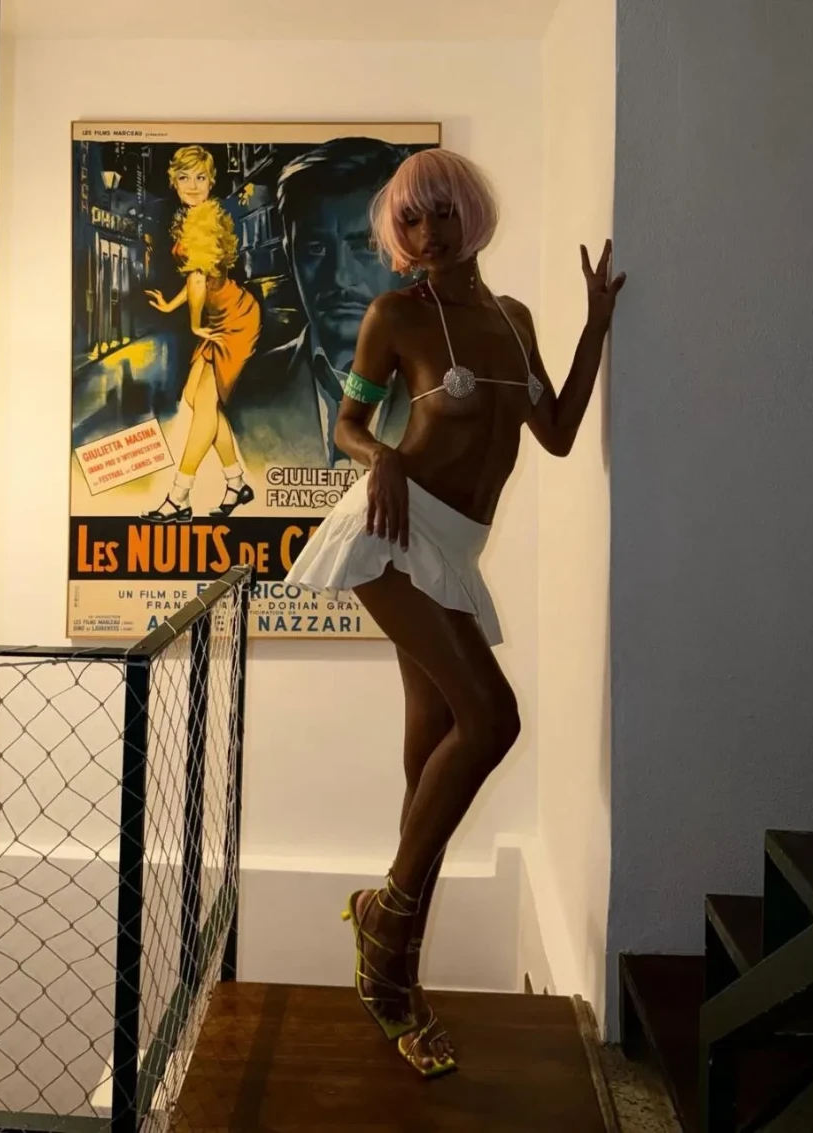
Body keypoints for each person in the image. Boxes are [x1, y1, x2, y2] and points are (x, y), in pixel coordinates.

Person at [285, 148, 625, 1078]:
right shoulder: (396, 316)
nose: (427, 233)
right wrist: (382, 457)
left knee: (430, 760)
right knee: (493, 717)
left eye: (441, 214)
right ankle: (386, 924)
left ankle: (392, 975)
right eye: (411, 219)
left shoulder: (513, 321)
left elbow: (557, 432)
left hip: (456, 550)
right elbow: (349, 425)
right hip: (393, 534)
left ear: (470, 215)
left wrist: (597, 327)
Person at [230, 138, 416, 467]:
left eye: (367, 247)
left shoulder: (447, 388)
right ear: (290, 256)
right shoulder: (248, 390)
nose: (340, 276)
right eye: (315, 248)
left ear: (409, 256)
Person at [143, 145, 261, 522]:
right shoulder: (196, 217)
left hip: (234, 318)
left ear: (211, 182)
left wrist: (194, 323)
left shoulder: (203, 221)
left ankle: (178, 497)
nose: (192, 185)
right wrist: (171, 306)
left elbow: (198, 279)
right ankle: (236, 483)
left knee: (204, 406)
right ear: (174, 182)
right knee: (196, 399)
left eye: (200, 177)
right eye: (184, 177)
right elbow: (200, 278)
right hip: (225, 310)